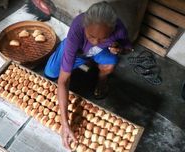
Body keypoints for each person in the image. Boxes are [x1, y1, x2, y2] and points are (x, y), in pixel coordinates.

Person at [44, 1, 132, 149]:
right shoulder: (77, 29)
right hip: (78, 51)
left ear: (112, 30)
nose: (96, 41)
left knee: (110, 62)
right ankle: (74, 58)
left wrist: (119, 48)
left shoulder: (118, 29)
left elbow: (127, 49)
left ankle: (102, 81)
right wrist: (65, 124)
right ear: (85, 26)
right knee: (51, 73)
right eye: (91, 36)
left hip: (99, 53)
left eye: (103, 38)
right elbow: (64, 81)